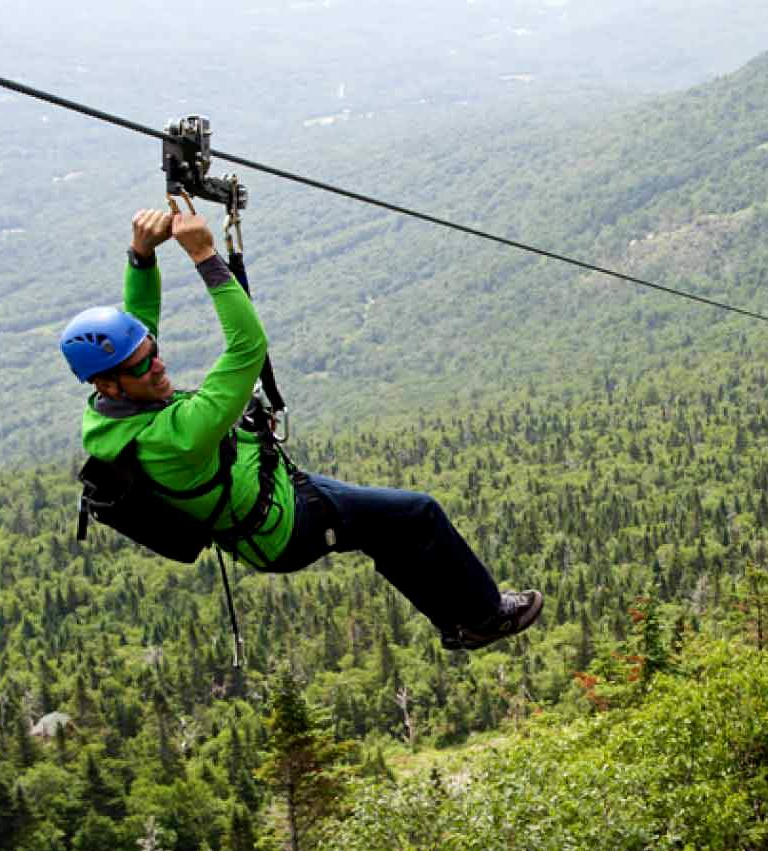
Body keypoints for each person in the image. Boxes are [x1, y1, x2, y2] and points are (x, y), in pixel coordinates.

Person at [59, 203, 543, 650]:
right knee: (419, 513)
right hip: (289, 526)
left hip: (279, 494)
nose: (159, 365)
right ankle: (485, 616)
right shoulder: (176, 435)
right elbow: (248, 347)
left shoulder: (105, 411)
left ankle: (455, 622)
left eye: (152, 352)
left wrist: (142, 258)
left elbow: (139, 330)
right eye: (144, 366)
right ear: (111, 383)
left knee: (389, 529)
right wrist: (206, 256)